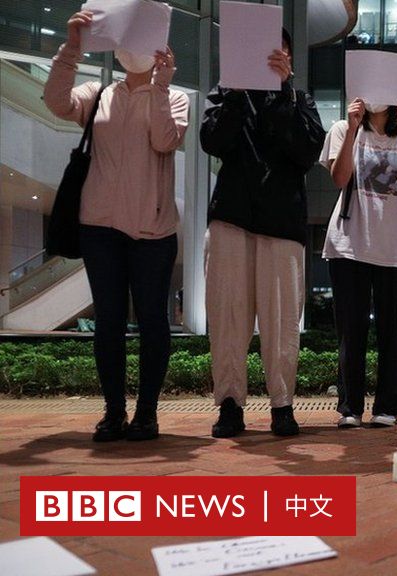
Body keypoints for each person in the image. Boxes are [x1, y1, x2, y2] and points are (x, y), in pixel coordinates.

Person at [44, 11, 189, 442]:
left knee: (152, 321)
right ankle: (112, 412)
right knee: (108, 322)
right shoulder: (99, 92)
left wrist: (161, 85)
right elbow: (55, 103)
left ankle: (146, 413)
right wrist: (72, 47)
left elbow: (165, 140)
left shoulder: (174, 96)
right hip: (100, 227)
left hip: (153, 230)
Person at [201, 28, 326, 438]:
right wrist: (237, 93)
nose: (271, 57)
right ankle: (231, 404)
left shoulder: (299, 99)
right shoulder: (226, 91)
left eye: (280, 51)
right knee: (228, 315)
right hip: (232, 217)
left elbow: (307, 152)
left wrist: (284, 91)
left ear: (289, 57)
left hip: (283, 222)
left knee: (282, 320)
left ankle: (282, 404)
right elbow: (212, 140)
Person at [319, 94, 397, 429]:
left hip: (395, 245)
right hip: (350, 244)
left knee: (392, 331)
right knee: (351, 331)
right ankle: (349, 407)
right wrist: (352, 129)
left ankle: (388, 406)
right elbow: (339, 179)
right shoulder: (342, 128)